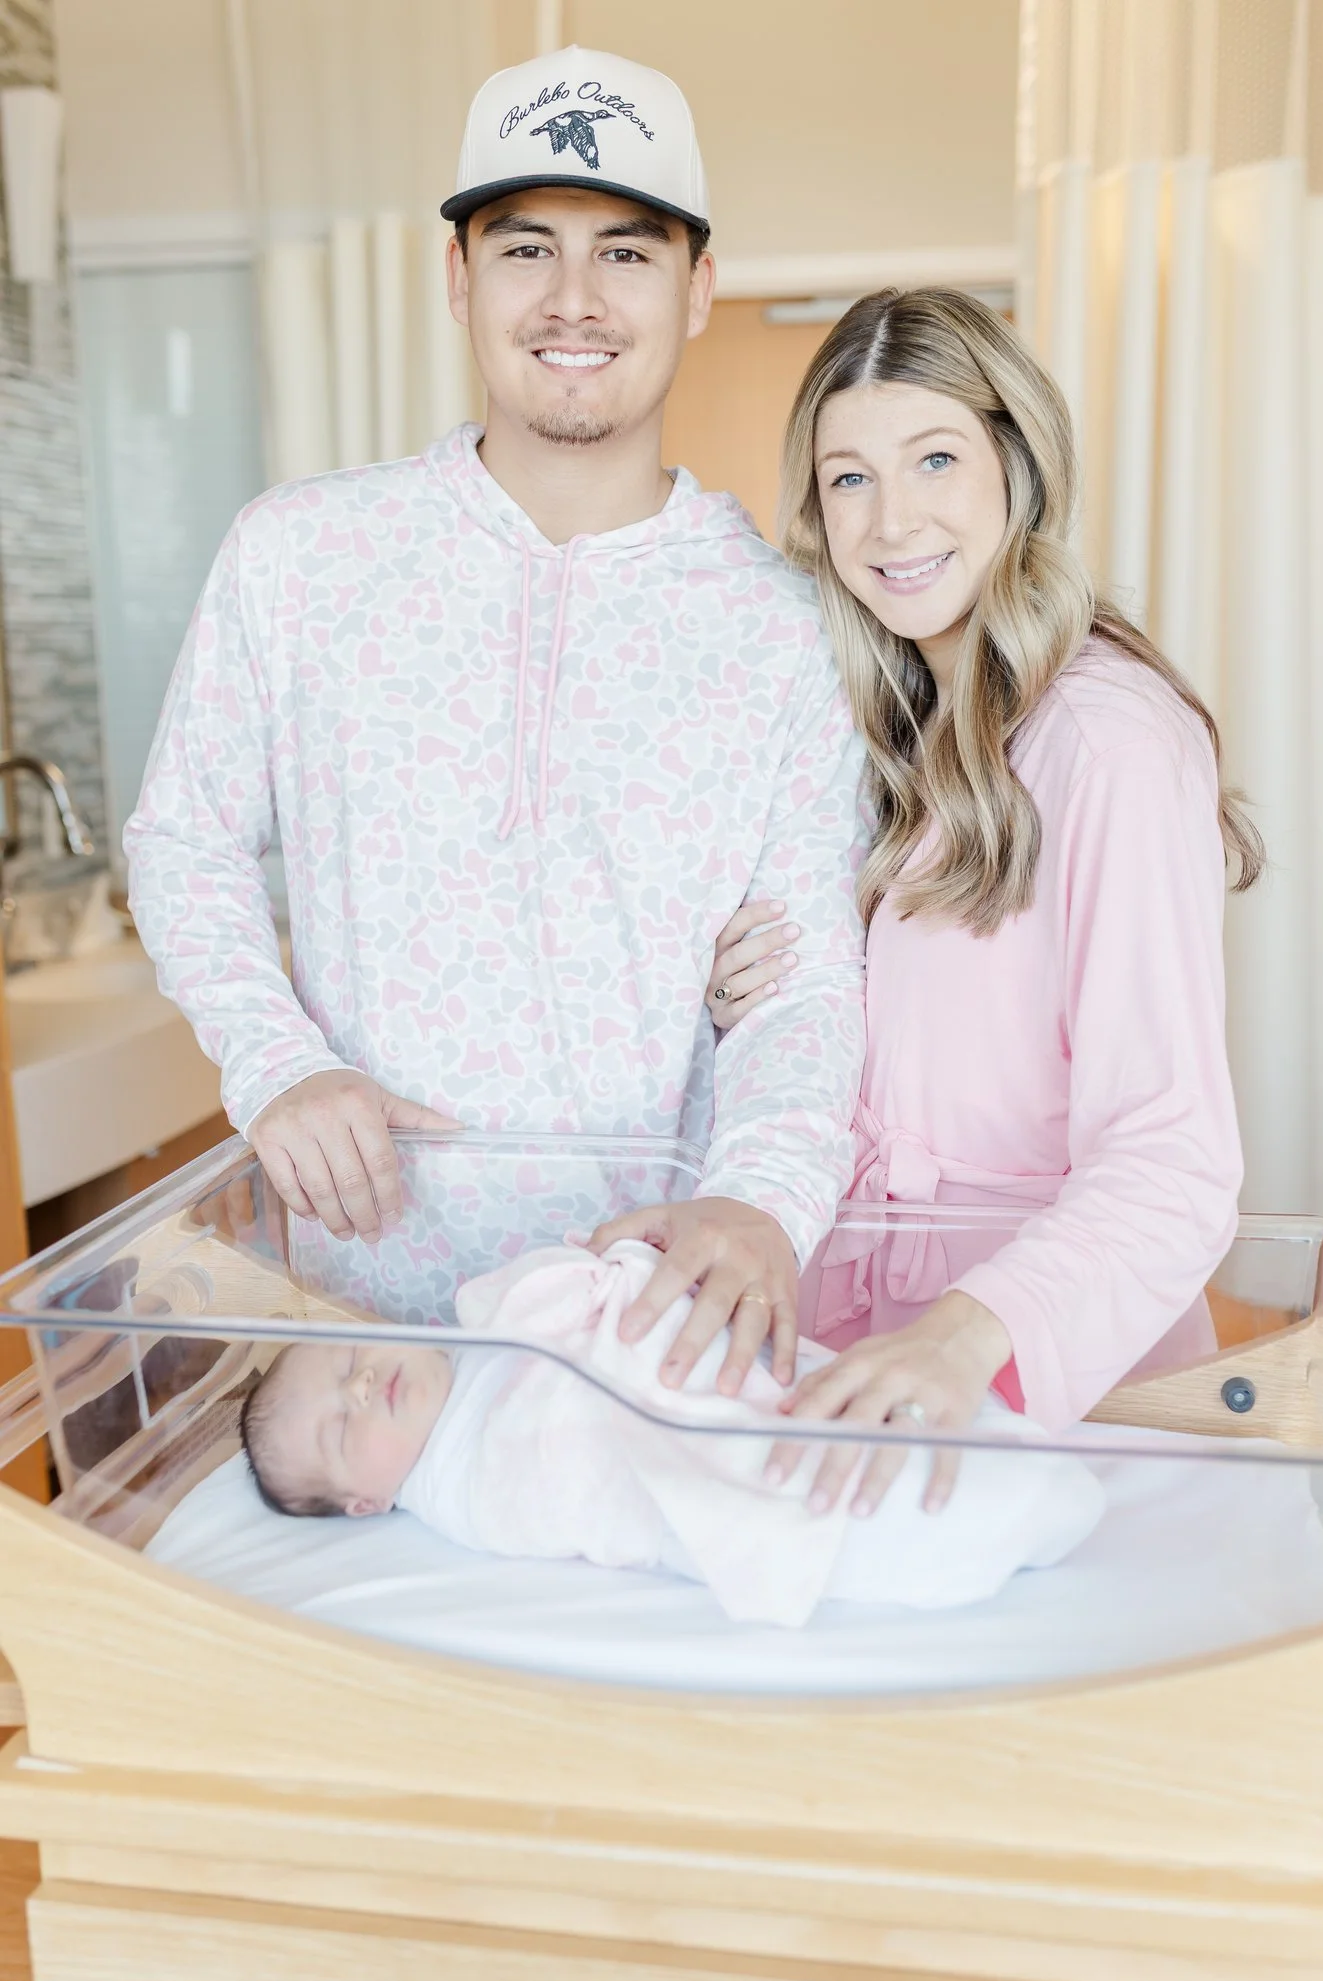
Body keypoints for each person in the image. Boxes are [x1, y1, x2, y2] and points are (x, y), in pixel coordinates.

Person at [126, 46, 867, 1394]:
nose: (574, 301)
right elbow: (182, 840)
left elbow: (805, 977)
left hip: (652, 1329)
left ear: (699, 288)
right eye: (526, 249)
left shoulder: (789, 628)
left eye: (626, 254)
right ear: (458, 277)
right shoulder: (299, 556)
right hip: (360, 1346)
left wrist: (766, 1197)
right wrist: (277, 1062)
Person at [705, 287, 1262, 1516]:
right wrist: (746, 998)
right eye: (847, 479)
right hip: (858, 1358)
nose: (890, 518)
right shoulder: (885, 729)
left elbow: (1172, 1157)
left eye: (935, 459)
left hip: (1039, 1383)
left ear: (1018, 459)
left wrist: (968, 1338)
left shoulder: (1105, 740)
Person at [237, 1237, 1105, 1629]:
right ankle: (973, 1513)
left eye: (350, 1355)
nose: (361, 1385)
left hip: (741, 1384)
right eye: (341, 1426)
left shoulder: (482, 1330)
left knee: (840, 1397)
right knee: (827, 1493)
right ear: (365, 1502)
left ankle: (1009, 1475)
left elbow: (604, 1297)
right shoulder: (463, 1488)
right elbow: (572, 1470)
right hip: (679, 1468)